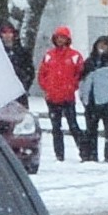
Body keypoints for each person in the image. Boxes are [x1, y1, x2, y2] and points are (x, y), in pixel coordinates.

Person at [78, 34, 108, 162]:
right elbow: (83, 80)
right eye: (100, 44)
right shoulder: (89, 62)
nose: (102, 47)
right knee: (91, 131)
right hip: (91, 101)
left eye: (105, 44)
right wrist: (83, 96)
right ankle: (92, 155)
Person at [36, 27, 82, 162]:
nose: (60, 40)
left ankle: (83, 151)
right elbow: (42, 74)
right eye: (58, 37)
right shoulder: (49, 55)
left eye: (63, 37)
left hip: (67, 97)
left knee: (73, 125)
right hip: (52, 97)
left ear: (67, 39)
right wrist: (47, 88)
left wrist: (71, 87)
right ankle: (59, 154)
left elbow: (79, 74)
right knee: (56, 127)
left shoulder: (75, 56)